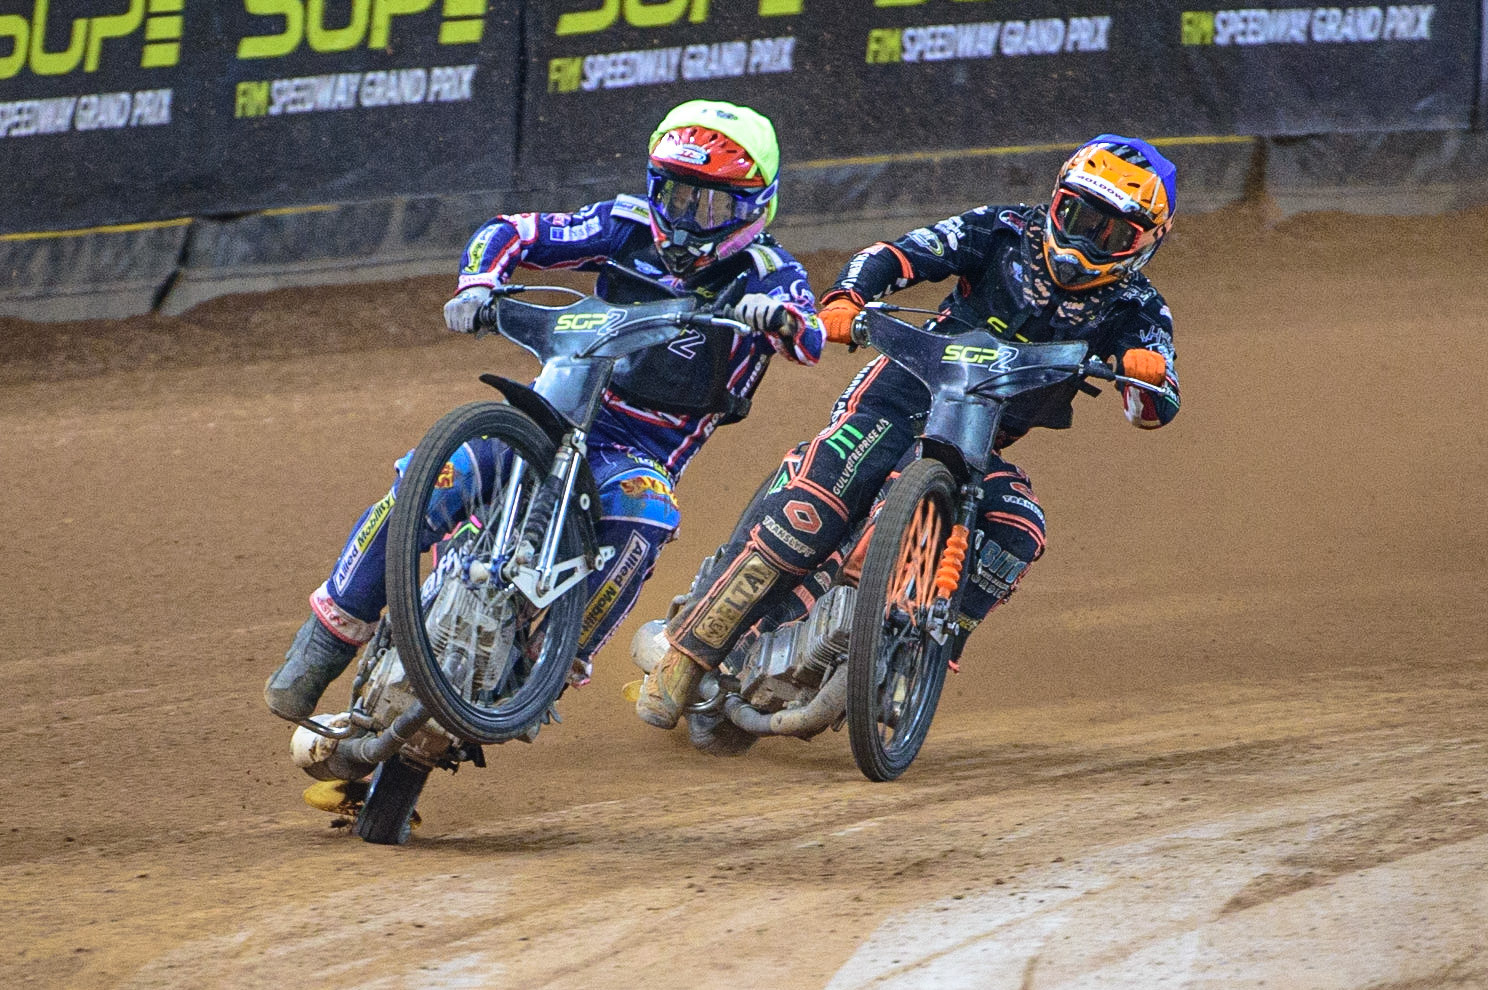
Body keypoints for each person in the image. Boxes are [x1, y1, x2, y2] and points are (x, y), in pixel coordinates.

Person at [265, 100, 824, 723]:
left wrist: (776, 317)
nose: (689, 218)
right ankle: (322, 645)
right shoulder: (623, 224)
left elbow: (810, 335)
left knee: (648, 512)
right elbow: (515, 231)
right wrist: (478, 282)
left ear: (755, 207)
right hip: (555, 409)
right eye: (675, 195)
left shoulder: (766, 271)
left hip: (636, 452)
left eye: (712, 204)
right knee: (438, 472)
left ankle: (551, 668)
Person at [635, 134, 1180, 731]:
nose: (1083, 242)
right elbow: (900, 254)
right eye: (1076, 217)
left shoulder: (1137, 308)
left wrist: (1144, 377)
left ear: (1146, 243)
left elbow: (1154, 404)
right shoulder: (999, 231)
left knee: (1020, 529)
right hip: (898, 394)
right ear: (1055, 203)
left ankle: (927, 649)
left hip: (973, 446)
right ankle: (689, 654)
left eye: (1111, 234)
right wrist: (847, 297)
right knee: (818, 503)